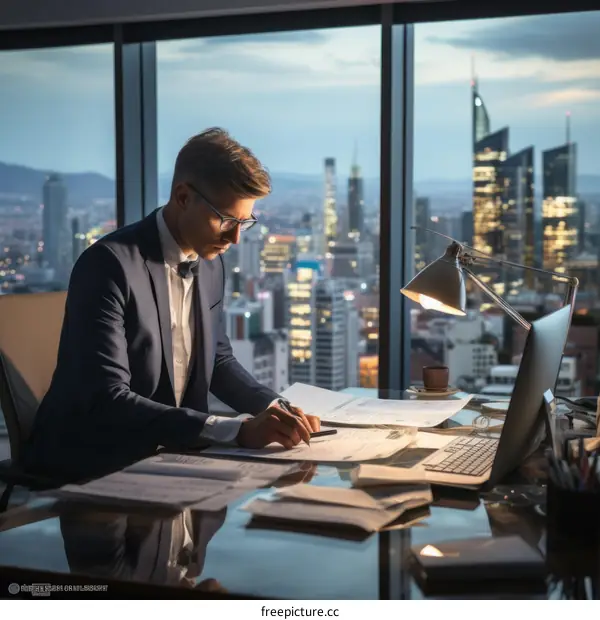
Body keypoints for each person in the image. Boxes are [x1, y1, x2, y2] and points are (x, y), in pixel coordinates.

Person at [23, 128, 319, 480]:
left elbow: (218, 361)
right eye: (226, 219)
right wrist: (235, 431)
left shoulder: (211, 262)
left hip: (173, 461)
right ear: (182, 197)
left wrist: (277, 409)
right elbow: (107, 398)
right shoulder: (107, 266)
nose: (235, 238)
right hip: (93, 465)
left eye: (245, 223)